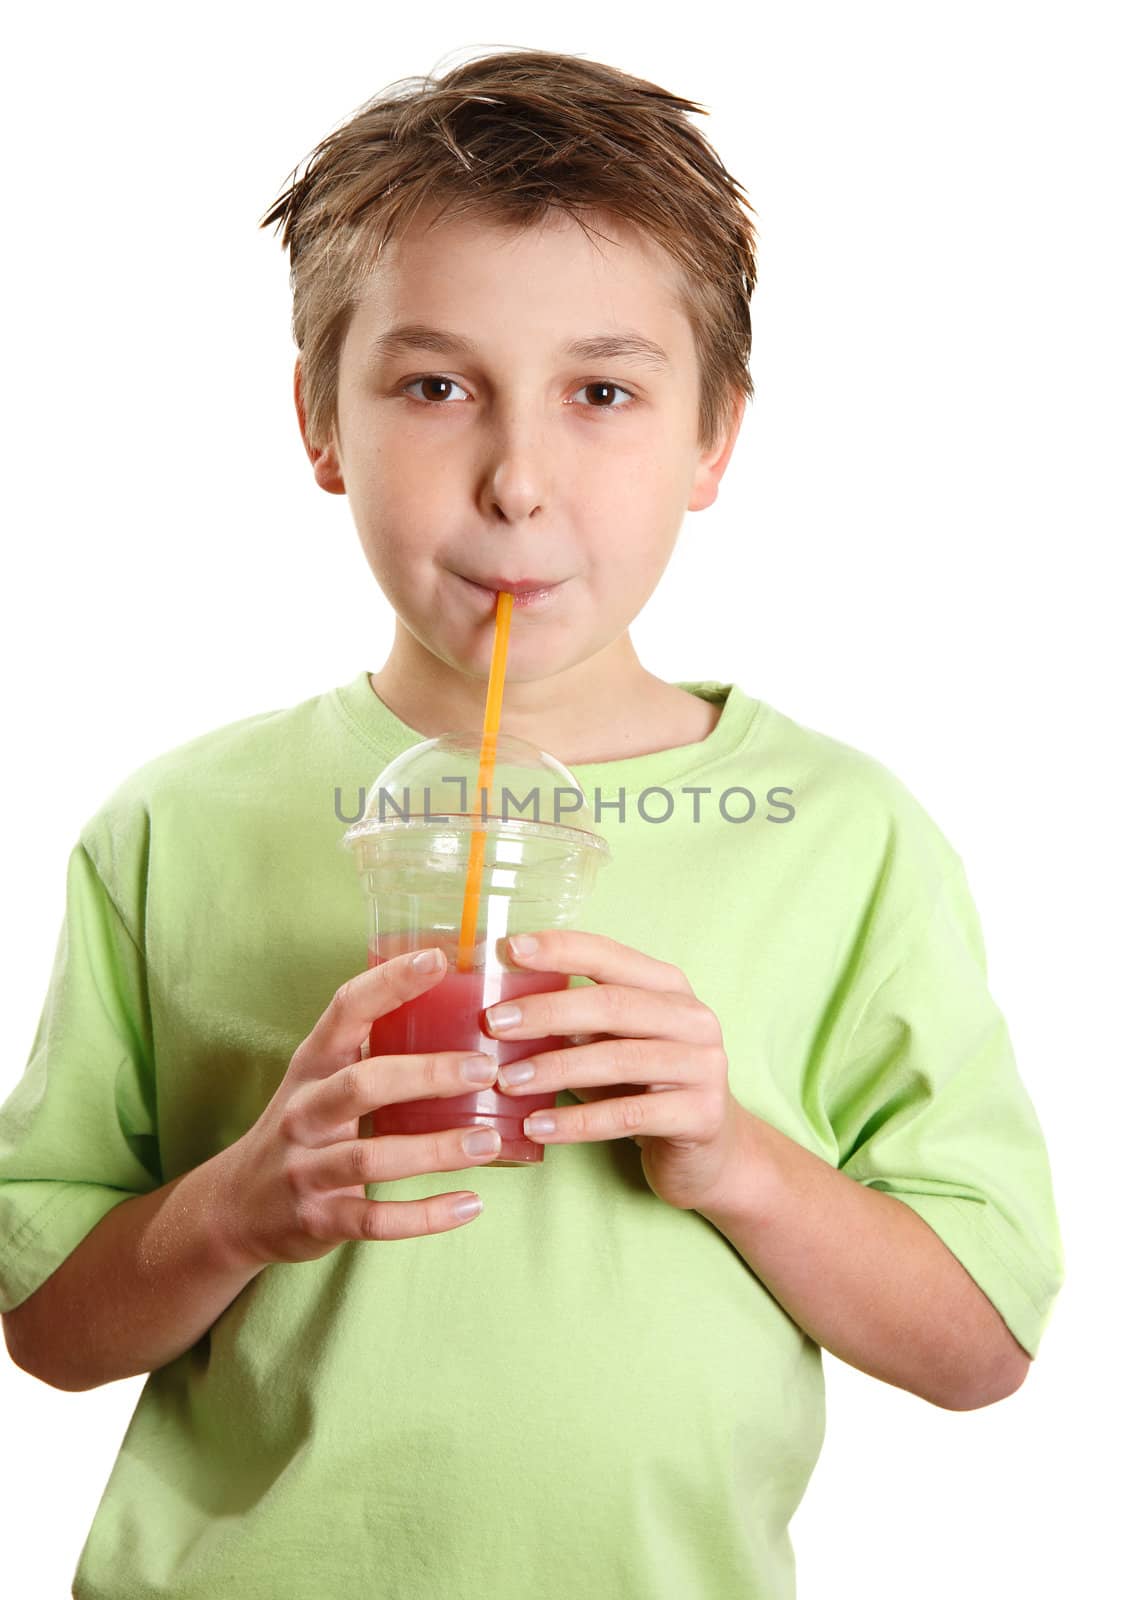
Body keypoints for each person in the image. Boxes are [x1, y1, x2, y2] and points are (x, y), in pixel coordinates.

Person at [0, 46, 1064, 1600]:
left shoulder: (843, 836)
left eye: (603, 392)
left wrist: (735, 1159)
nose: (515, 478)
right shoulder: (177, 826)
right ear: (320, 421)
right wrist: (238, 1204)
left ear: (711, 439)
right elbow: (46, 1329)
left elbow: (980, 1351)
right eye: (435, 387)